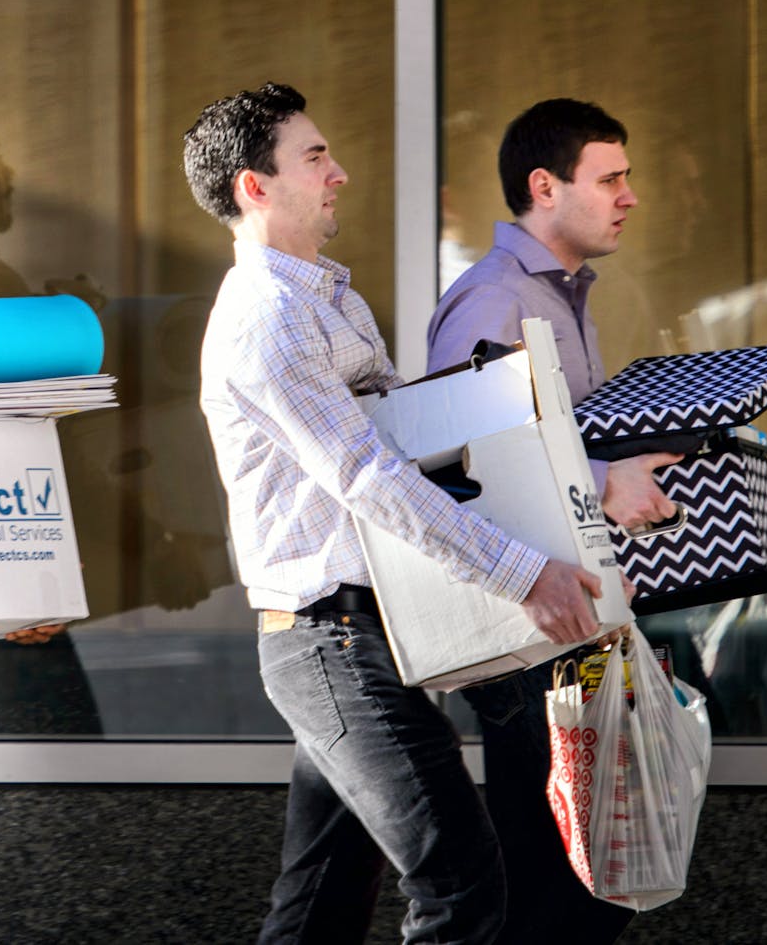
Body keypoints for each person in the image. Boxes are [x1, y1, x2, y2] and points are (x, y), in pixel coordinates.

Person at [185, 82, 609, 945]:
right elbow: (370, 475)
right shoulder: (266, 316)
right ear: (253, 187)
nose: (339, 173)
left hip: (372, 633)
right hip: (328, 642)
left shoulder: (330, 299)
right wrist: (523, 573)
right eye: (314, 157)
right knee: (460, 881)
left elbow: (407, 442)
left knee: (318, 909)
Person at [427, 97, 681, 944]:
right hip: (529, 630)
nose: (628, 196)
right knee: (552, 881)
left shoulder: (560, 293)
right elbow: (456, 457)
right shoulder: (494, 299)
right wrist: (607, 481)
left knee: (589, 872)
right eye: (610, 177)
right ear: (545, 186)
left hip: (572, 618)